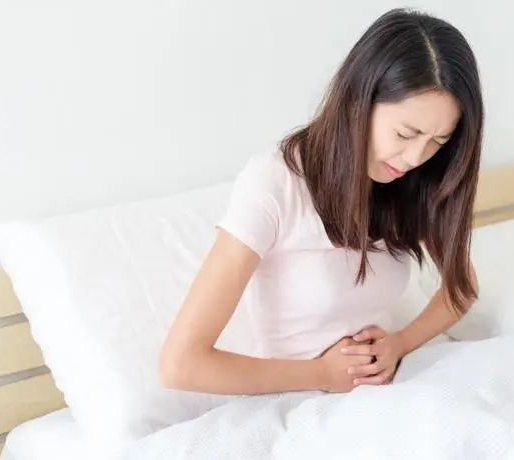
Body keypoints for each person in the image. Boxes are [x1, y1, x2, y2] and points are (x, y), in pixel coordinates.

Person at [159, 7, 483, 396]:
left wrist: (400, 343)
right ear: (359, 99)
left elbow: (462, 286)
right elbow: (181, 365)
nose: (416, 157)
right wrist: (324, 374)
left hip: (385, 391)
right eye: (404, 134)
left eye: (437, 142)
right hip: (299, 399)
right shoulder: (276, 181)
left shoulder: (410, 182)